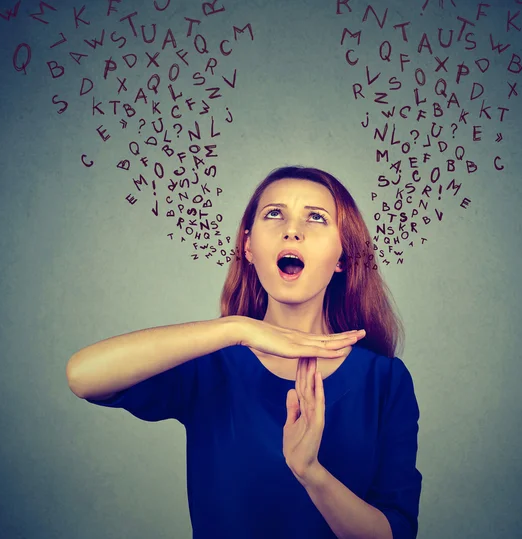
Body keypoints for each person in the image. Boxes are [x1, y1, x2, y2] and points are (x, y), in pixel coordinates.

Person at [66, 166, 422, 539]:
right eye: (274, 213)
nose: (292, 230)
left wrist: (311, 473)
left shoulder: (385, 381)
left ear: (342, 257)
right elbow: (82, 375)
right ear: (249, 247)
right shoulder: (210, 365)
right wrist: (237, 328)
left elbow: (393, 533)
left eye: (316, 218)